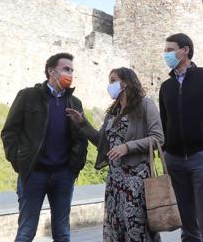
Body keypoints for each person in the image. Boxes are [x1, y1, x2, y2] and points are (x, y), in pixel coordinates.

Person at [67, 67, 164, 242]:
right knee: (116, 227)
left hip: (137, 179)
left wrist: (128, 147)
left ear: (124, 83)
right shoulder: (113, 112)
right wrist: (82, 123)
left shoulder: (145, 104)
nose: (109, 85)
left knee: (137, 227)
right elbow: (102, 143)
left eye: (113, 80)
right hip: (115, 180)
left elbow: (158, 139)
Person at [1, 52, 88, 242]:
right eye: (66, 69)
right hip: (34, 174)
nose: (70, 74)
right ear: (51, 71)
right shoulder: (28, 96)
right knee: (26, 231)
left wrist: (74, 168)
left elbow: (81, 138)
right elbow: (9, 132)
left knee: (62, 232)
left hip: (64, 175)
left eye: (72, 70)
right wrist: (20, 162)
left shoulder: (74, 102)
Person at [158, 33, 203, 242]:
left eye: (170, 49)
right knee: (187, 222)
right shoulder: (166, 87)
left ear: (185, 50)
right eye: (165, 50)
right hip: (175, 160)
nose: (166, 54)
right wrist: (165, 152)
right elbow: (164, 123)